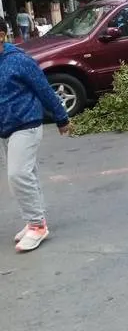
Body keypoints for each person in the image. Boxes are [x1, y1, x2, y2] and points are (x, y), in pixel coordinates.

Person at [0, 16, 71, 252]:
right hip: (5, 128)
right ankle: (34, 219)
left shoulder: (19, 61)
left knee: (18, 175)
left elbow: (44, 89)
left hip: (26, 124)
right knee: (25, 175)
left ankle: (37, 225)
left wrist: (61, 118)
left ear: (1, 36)